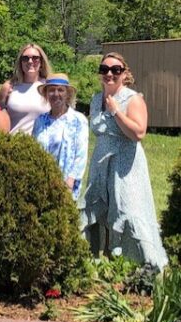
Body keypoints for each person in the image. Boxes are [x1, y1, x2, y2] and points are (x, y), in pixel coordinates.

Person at [79, 52, 168, 270]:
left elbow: (138, 133)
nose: (109, 74)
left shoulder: (133, 98)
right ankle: (98, 262)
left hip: (125, 165)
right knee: (97, 208)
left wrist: (116, 111)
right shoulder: (95, 98)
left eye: (115, 70)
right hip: (101, 164)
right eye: (104, 69)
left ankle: (144, 265)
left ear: (124, 73)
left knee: (127, 210)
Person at [32, 73, 88, 200]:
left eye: (60, 90)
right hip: (42, 185)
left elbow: (81, 155)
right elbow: (34, 151)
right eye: (51, 90)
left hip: (67, 185)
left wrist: (70, 181)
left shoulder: (78, 120)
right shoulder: (40, 120)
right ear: (46, 94)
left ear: (67, 94)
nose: (56, 94)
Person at [0, 43, 51, 134]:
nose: (30, 61)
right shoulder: (9, 87)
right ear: (21, 62)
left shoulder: (49, 87)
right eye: (25, 58)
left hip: (43, 146)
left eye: (35, 58)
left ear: (41, 62)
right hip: (14, 144)